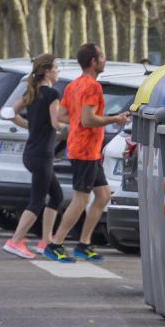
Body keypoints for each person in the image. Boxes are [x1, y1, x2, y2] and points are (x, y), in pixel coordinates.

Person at [47, 43, 130, 262]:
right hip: (84, 150)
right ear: (93, 62)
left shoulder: (74, 85)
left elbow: (63, 115)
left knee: (102, 196)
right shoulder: (93, 87)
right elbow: (88, 119)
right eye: (102, 57)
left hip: (85, 149)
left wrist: (78, 121)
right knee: (81, 199)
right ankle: (55, 243)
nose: (105, 60)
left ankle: (84, 244)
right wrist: (115, 118)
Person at [2, 54, 69, 260]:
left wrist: (31, 125)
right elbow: (56, 123)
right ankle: (15, 241)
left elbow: (10, 113)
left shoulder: (32, 92)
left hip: (32, 153)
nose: (58, 71)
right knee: (37, 200)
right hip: (42, 155)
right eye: (57, 67)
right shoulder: (51, 94)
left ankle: (46, 241)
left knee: (56, 195)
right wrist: (73, 126)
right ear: (47, 71)